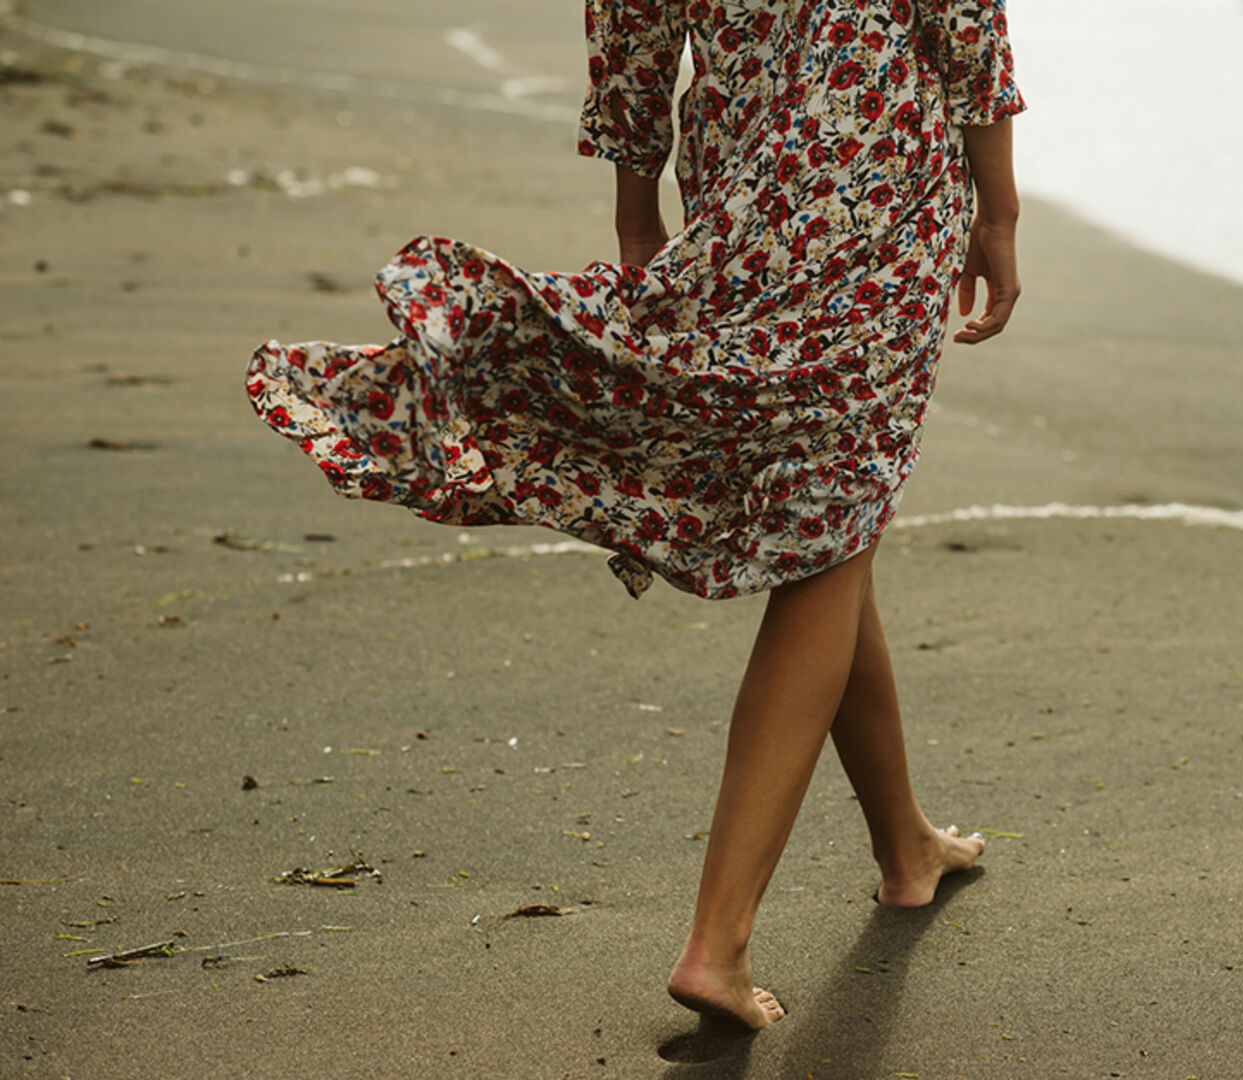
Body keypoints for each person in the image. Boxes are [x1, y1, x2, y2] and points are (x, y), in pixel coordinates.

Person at [245, 0, 1023, 1030]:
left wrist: (635, 205)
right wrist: (999, 212)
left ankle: (904, 843)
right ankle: (717, 943)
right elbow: (962, 23)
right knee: (832, 525)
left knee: (834, 513)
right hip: (881, 178)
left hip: (741, 175)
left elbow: (632, 28)